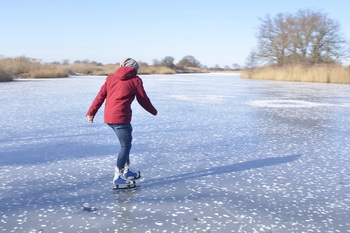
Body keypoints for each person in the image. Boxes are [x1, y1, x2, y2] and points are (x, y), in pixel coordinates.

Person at [86, 58, 157, 186]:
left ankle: (127, 170)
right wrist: (153, 111)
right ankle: (118, 176)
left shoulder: (110, 78)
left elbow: (100, 96)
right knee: (126, 146)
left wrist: (91, 112)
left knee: (126, 143)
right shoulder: (135, 80)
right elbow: (143, 99)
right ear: (135, 68)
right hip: (120, 117)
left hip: (110, 117)